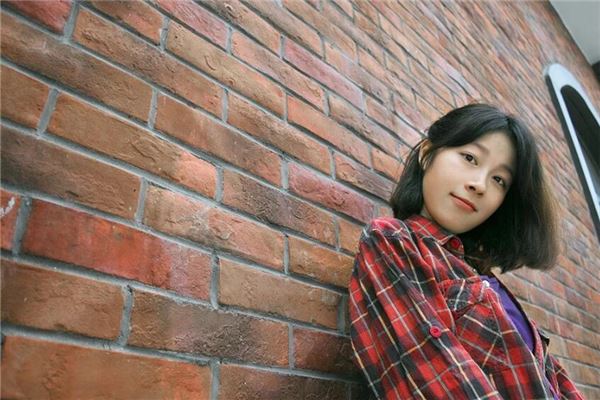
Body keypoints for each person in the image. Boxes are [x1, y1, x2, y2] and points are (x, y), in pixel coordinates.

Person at [348, 104, 584, 399]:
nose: (480, 185)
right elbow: (435, 375)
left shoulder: (489, 282)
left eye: (499, 180)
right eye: (470, 158)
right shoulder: (392, 241)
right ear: (427, 153)